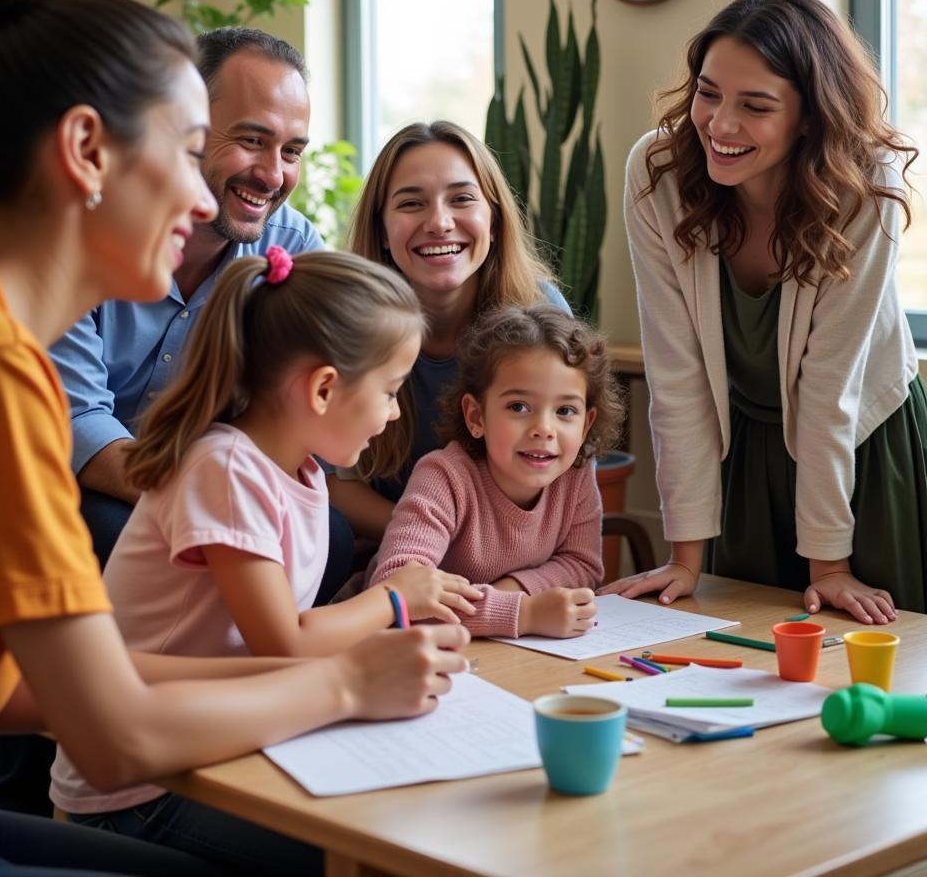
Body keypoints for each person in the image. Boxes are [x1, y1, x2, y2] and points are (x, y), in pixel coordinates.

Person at [0, 0, 469, 877]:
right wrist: (335, 680)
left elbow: (7, 690)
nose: (207, 188)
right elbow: (115, 736)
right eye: (187, 145)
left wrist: (300, 669)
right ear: (88, 151)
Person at [0, 27, 355, 820]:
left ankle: (245, 734)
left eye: (293, 149)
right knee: (96, 528)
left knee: (336, 537)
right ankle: (31, 798)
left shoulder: (287, 246)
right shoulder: (75, 238)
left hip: (199, 472)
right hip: (74, 480)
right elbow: (78, 421)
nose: (275, 174)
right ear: (181, 127)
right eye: (249, 141)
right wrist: (194, 487)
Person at [49, 250, 481, 866]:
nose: (392, 414)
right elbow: (285, 643)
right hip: (141, 787)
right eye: (388, 391)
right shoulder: (226, 468)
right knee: (376, 850)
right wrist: (391, 599)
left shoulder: (296, 471)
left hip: (222, 738)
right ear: (325, 387)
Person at [602, 0, 925, 622]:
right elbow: (677, 376)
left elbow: (832, 388)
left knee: (870, 664)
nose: (721, 124)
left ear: (810, 115)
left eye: (755, 105)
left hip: (860, 442)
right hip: (744, 445)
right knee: (740, 638)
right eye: (708, 92)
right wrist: (685, 557)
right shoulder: (658, 173)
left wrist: (830, 565)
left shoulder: (866, 184)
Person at [331, 120, 570, 542]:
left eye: (461, 199)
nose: (439, 222)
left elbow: (566, 469)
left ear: (493, 221)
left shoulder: (542, 311)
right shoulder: (346, 323)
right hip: (389, 555)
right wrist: (428, 538)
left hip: (513, 552)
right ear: (382, 231)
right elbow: (332, 484)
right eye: (410, 204)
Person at [367, 303, 624, 638]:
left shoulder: (575, 472)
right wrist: (524, 612)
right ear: (476, 417)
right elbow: (397, 595)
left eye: (564, 410)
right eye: (519, 407)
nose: (544, 429)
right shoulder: (443, 477)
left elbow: (583, 565)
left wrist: (511, 589)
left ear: (587, 422)